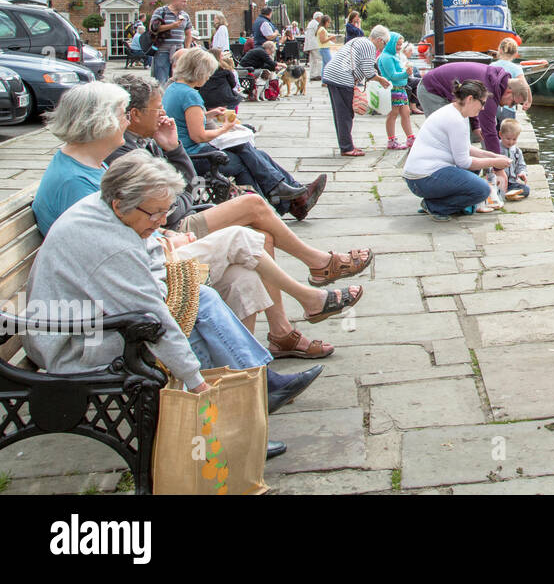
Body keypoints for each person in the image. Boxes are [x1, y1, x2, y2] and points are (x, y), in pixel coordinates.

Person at [25, 150, 323, 425]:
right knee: (190, 322)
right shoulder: (110, 243)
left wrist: (170, 281)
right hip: (73, 346)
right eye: (154, 213)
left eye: (164, 212)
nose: (161, 221)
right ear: (120, 203)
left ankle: (251, 393)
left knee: (199, 298)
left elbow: (151, 253)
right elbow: (152, 317)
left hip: (86, 324)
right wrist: (195, 380)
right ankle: (217, 418)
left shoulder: (111, 211)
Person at [110, 73, 370, 310]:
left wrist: (173, 147)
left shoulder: (147, 140)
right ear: (133, 114)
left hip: (177, 212)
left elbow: (184, 188)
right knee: (251, 200)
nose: (163, 113)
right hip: (170, 228)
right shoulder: (128, 153)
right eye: (157, 109)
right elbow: (171, 206)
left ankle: (282, 332)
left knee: (263, 234)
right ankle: (317, 259)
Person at [163, 48, 314, 214]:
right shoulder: (190, 95)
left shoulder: (173, 89)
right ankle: (273, 202)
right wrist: (224, 129)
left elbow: (184, 119)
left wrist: (207, 115)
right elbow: (198, 136)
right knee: (246, 161)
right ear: (199, 72)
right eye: (208, 74)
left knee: (253, 154)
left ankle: (285, 196)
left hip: (183, 152)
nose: (208, 78)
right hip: (196, 156)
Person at [403, 80, 511, 219]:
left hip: (420, 177)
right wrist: (494, 162)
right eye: (482, 103)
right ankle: (436, 206)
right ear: (470, 99)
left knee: (475, 171)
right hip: (423, 179)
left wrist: (495, 157)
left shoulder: (457, 113)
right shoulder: (456, 120)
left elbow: (466, 149)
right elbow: (464, 162)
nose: (483, 108)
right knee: (482, 190)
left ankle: (444, 203)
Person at [33, 82, 130, 235]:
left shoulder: (87, 161)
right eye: (124, 115)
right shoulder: (74, 182)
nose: (128, 122)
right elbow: (100, 240)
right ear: (102, 121)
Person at [416, 60, 531, 156]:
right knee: (445, 134)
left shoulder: (496, 82)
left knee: (466, 136)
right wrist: (498, 168)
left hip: (448, 90)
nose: (509, 106)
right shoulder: (491, 92)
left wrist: (476, 126)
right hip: (432, 90)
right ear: (509, 91)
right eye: (513, 103)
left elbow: (471, 103)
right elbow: (489, 133)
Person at [322, 25, 391, 156]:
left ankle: (346, 145)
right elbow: (368, 71)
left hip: (333, 74)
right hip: (341, 78)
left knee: (341, 113)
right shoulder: (370, 46)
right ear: (380, 40)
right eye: (385, 43)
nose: (383, 47)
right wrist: (380, 80)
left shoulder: (359, 40)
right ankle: (347, 147)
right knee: (345, 114)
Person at [377, 32, 415, 151]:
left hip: (400, 88)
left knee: (406, 112)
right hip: (393, 88)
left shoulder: (393, 56)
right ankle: (391, 140)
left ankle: (410, 137)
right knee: (393, 114)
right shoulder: (387, 57)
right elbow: (392, 75)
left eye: (400, 45)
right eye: (397, 44)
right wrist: (405, 73)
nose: (399, 47)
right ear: (391, 43)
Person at [147, 0, 193, 84]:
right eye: (183, 1)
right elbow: (152, 28)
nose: (185, 4)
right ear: (175, 0)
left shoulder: (185, 15)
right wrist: (172, 26)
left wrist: (187, 50)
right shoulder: (161, 11)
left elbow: (188, 34)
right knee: (161, 80)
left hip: (178, 52)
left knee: (178, 80)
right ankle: (162, 98)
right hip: (162, 51)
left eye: (186, 2)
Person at [498, 117, 529, 200]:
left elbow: (521, 165)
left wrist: (522, 173)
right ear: (500, 135)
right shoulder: (496, 148)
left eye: (514, 139)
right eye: (508, 139)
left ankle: (507, 194)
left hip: (512, 182)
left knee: (526, 189)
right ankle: (504, 194)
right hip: (498, 181)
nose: (511, 142)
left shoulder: (517, 151)